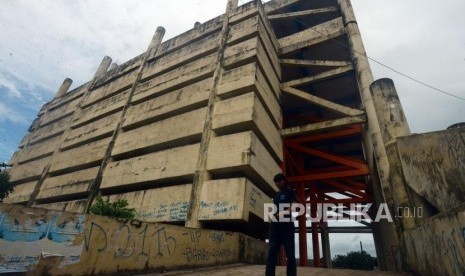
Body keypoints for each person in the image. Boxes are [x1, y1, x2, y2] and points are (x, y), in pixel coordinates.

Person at [265, 173, 297, 276]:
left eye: (279, 181)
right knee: (272, 253)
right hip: (275, 228)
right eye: (276, 182)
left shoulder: (290, 192)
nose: (277, 184)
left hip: (287, 227)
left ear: (284, 181)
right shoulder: (276, 195)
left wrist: (281, 214)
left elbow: (293, 207)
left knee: (290, 254)